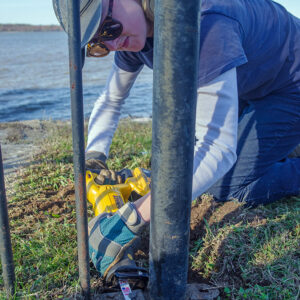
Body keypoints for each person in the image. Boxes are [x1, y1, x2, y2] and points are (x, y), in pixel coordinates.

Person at [53, 0, 300, 279]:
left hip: (291, 84)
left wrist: (132, 219)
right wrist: (94, 157)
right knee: (202, 157)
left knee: (228, 184)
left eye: (106, 28)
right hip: (252, 81)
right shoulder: (133, 33)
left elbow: (218, 147)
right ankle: (282, 140)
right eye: (97, 42)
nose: (109, 45)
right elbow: (112, 99)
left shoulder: (206, 23)